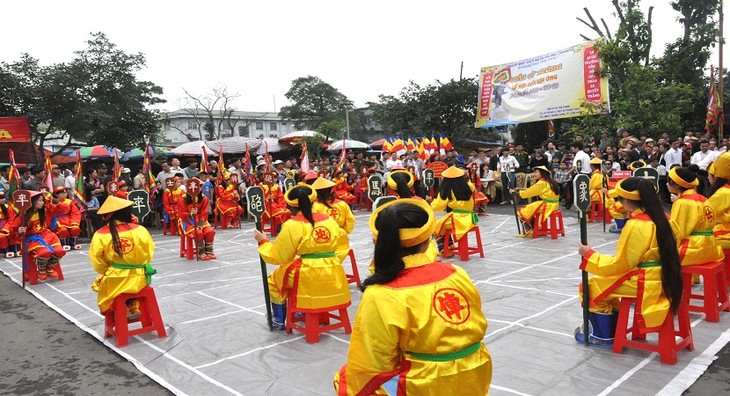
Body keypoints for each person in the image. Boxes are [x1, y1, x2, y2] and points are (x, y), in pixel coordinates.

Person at [334, 199, 492, 395]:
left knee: (344, 379)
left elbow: (373, 362)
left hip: (424, 383)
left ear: (379, 242)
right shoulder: (456, 272)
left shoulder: (381, 293)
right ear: (427, 241)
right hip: (477, 369)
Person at [576, 177, 683, 347]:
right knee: (605, 284)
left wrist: (590, 255)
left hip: (646, 280)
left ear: (626, 200)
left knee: (591, 286)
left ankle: (603, 336)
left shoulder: (637, 225)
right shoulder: (667, 218)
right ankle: (613, 328)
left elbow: (623, 264)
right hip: (667, 275)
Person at [253, 185, 350, 331]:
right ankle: (301, 309)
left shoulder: (292, 225)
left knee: (273, 281)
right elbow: (341, 242)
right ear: (313, 202)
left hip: (307, 271)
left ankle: (279, 321)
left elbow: (279, 257)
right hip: (333, 267)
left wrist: (263, 241)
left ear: (290, 207)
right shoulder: (329, 220)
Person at [89, 196, 157, 320]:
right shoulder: (140, 230)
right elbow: (150, 252)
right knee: (128, 285)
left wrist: (110, 269)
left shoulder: (100, 234)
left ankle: (121, 308)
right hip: (141, 276)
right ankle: (132, 304)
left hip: (116, 278)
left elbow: (98, 263)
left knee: (102, 283)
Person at [667, 167, 724, 267]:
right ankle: (693, 278)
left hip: (691, 249)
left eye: (669, 182)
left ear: (676, 184)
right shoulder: (703, 198)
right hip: (712, 246)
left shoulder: (682, 202)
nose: (667, 184)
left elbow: (678, 232)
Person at [10, 191, 66, 281]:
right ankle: (42, 270)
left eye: (43, 200)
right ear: (32, 202)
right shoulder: (22, 216)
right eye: (40, 201)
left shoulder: (45, 210)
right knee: (44, 252)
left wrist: (51, 198)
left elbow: (62, 209)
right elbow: (12, 232)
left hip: (48, 236)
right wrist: (19, 232)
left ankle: (49, 268)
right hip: (31, 239)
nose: (42, 202)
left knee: (59, 251)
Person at [430, 166, 478, 251]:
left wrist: (430, 202)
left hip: (457, 219)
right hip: (470, 218)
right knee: (442, 224)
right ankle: (449, 246)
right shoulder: (469, 186)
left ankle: (446, 248)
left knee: (436, 226)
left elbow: (438, 207)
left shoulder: (447, 189)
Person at [311, 177, 355, 262]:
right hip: (341, 240)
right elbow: (351, 220)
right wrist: (344, 231)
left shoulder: (314, 206)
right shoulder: (342, 204)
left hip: (321, 238)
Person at [509, 165, 560, 237]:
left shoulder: (542, 183)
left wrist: (516, 193)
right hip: (554, 204)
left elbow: (529, 192)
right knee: (530, 208)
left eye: (536, 172)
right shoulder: (551, 181)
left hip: (547, 205)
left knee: (523, 211)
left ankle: (529, 231)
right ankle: (534, 229)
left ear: (542, 173)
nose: (534, 174)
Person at [178, 178, 216, 260]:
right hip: (187, 222)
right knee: (198, 233)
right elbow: (181, 213)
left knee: (210, 231)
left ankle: (209, 251)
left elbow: (205, 212)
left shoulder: (204, 198)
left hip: (201, 220)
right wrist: (190, 214)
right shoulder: (182, 198)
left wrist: (201, 223)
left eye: (199, 187)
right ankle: (201, 251)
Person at [708, 152, 730, 254]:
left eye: (709, 175)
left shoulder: (723, 193)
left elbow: (704, 214)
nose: (708, 178)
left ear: (715, 177)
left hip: (725, 235)